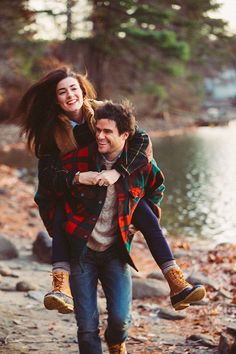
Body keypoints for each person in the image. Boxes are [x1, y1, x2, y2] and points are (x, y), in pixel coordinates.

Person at [16, 67, 205, 320]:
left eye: (74, 88)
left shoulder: (104, 110)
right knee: (60, 209)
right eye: (62, 92)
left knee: (144, 212)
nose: (70, 95)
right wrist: (79, 177)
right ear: (55, 99)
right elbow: (48, 176)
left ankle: (176, 282)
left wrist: (119, 171)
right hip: (79, 193)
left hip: (115, 184)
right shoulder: (52, 132)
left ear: (83, 91)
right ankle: (59, 286)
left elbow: (141, 140)